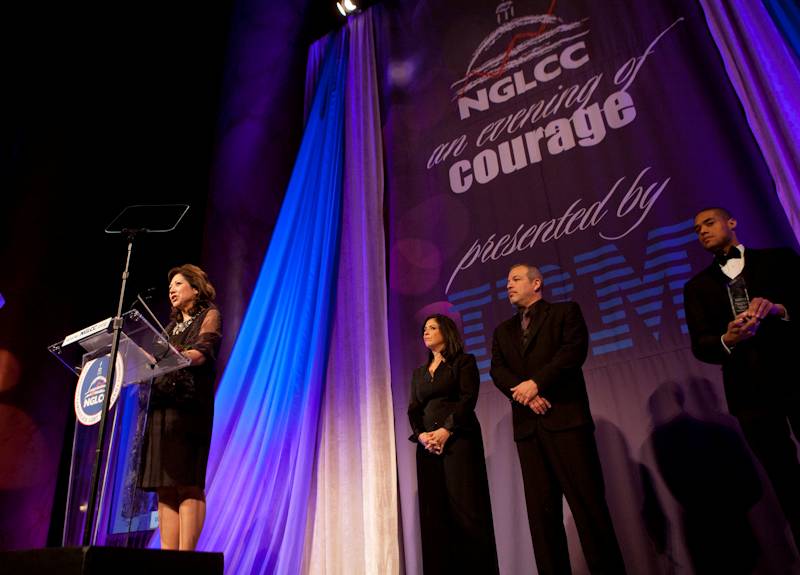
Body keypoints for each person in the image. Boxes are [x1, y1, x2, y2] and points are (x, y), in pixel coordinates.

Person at [490, 264, 626, 575]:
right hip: (528, 429)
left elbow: (572, 353)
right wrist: (524, 393)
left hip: (567, 423)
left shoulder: (565, 312)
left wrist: (536, 383)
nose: (508, 285)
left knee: (589, 509)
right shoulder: (502, 331)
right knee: (542, 517)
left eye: (515, 279)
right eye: (507, 280)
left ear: (536, 283)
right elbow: (498, 371)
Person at [683, 207, 800, 551]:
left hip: (796, 376)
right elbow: (701, 345)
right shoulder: (696, 287)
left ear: (731, 222)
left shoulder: (779, 260)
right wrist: (727, 339)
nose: (702, 231)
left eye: (709, 223)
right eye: (696, 229)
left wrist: (778, 309)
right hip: (750, 395)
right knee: (786, 481)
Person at [139, 264, 223, 550]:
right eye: (170, 285)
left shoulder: (209, 315)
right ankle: (167, 559)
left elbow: (203, 352)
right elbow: (153, 360)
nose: (171, 289)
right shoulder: (169, 328)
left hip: (189, 409)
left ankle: (186, 560)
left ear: (195, 288)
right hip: (162, 407)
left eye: (178, 283)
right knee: (164, 486)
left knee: (187, 481)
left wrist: (174, 358)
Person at [408, 314, 499, 575]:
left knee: (466, 510)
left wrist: (446, 430)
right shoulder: (418, 374)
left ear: (446, 332)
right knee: (434, 514)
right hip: (428, 449)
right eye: (424, 328)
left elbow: (468, 398)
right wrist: (422, 435)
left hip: (459, 442)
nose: (426, 332)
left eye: (433, 328)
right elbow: (413, 409)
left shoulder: (464, 362)